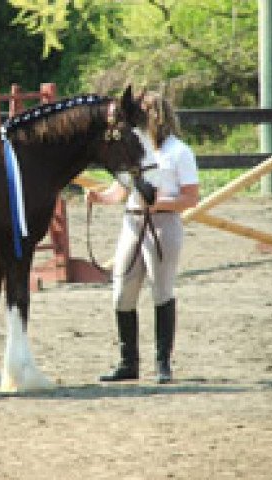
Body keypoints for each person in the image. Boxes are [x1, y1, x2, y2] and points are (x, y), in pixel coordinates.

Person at [88, 91, 200, 383]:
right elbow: (123, 190)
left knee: (162, 290)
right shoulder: (135, 148)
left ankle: (163, 363)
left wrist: (159, 204)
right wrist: (101, 198)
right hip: (133, 223)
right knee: (122, 291)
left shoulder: (179, 152)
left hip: (163, 225)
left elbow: (191, 199)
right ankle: (129, 362)